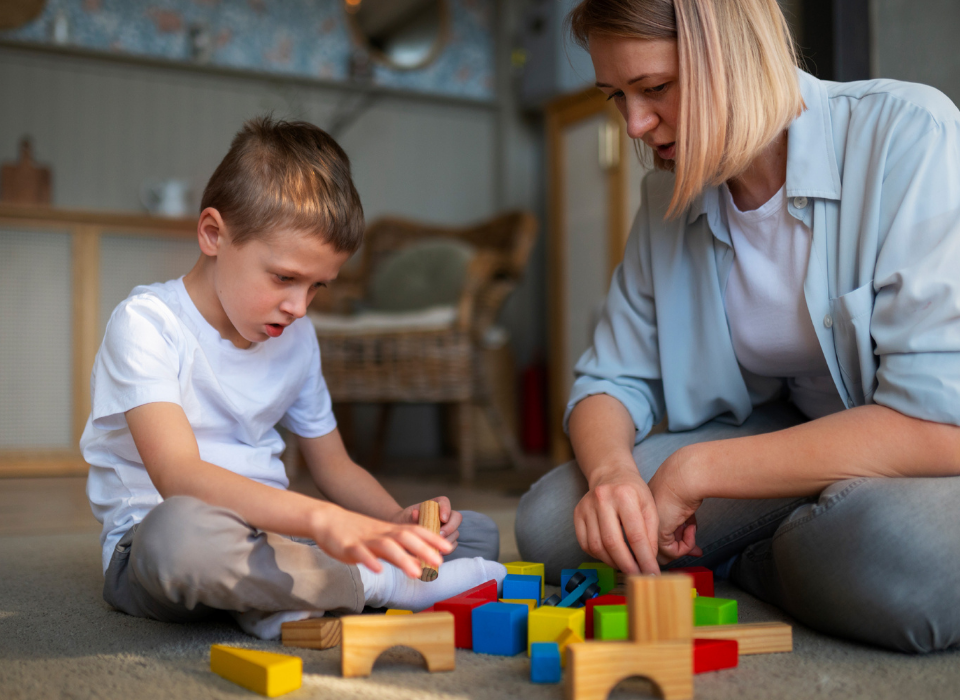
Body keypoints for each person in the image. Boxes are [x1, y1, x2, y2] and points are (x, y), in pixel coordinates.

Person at [515, 0, 960, 653]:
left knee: (895, 555)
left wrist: (697, 471)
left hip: (926, 447)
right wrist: (614, 477)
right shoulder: (665, 199)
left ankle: (758, 561)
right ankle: (800, 557)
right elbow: (608, 381)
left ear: (735, 55)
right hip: (796, 434)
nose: (636, 125)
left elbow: (942, 426)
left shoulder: (912, 134)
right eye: (617, 95)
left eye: (656, 88)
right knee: (556, 524)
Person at [81, 117, 504, 640]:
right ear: (214, 234)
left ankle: (281, 593)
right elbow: (180, 478)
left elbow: (335, 466)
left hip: (278, 540)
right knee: (180, 539)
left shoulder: (297, 338)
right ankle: (379, 586)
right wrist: (325, 522)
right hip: (159, 541)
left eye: (318, 286)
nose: (299, 307)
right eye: (284, 278)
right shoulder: (146, 324)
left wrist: (396, 520)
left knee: (475, 535)